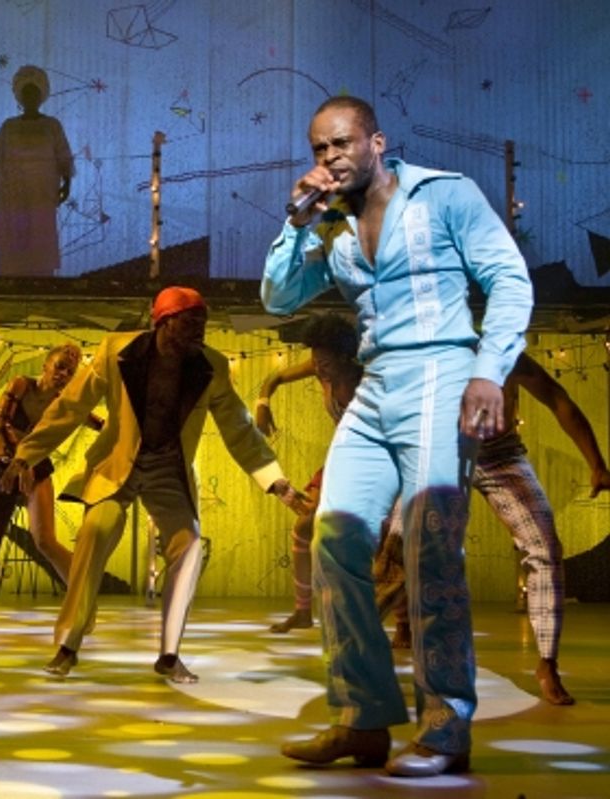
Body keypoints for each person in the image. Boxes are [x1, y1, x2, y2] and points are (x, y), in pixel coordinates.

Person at [263, 96, 533, 777]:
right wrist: (295, 222)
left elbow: (508, 278)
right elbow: (278, 297)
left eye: (342, 143)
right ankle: (362, 720)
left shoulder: (444, 195)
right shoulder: (330, 228)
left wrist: (489, 370)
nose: (329, 158)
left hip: (443, 369)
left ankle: (446, 728)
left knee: (428, 545)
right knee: (334, 537)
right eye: (319, 148)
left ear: (378, 142)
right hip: (376, 381)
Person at [0, 287, 309, 683]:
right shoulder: (116, 352)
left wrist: (276, 482)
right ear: (163, 321)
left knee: (190, 546)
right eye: (190, 323)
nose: (200, 331)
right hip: (118, 467)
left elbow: (239, 428)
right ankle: (68, 644)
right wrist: (27, 452)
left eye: (203, 323)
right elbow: (70, 407)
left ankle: (169, 654)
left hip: (168, 472)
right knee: (95, 532)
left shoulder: (210, 366)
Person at [376, 351, 610, 706]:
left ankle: (547, 663)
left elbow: (557, 398)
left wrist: (597, 463)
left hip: (501, 456)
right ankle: (356, 646)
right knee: (396, 548)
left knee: (545, 549)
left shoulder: (507, 356)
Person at [0, 342, 102, 636]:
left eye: (69, 372)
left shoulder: (65, 400)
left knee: (45, 540)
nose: (63, 375)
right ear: (45, 366)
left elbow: (91, 420)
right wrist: (20, 460)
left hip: (36, 470)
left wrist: (117, 430)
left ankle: (84, 600)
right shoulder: (21, 385)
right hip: (3, 469)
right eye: (59, 368)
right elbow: (0, 424)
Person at [254, 313, 370, 634]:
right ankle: (303, 612)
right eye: (316, 361)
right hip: (342, 459)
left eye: (326, 363)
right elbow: (274, 379)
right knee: (305, 526)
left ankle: (398, 620)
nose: (319, 368)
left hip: (374, 463)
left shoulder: (370, 378)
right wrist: (263, 403)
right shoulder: (323, 374)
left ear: (347, 357)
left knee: (380, 540)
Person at [0, 64, 74, 277]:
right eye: (26, 93)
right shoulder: (9, 126)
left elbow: (63, 156)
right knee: (13, 242)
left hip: (41, 196)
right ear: (20, 96)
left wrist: (67, 184)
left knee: (39, 240)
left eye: (34, 92)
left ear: (41, 95)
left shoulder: (52, 126)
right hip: (13, 196)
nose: (30, 97)